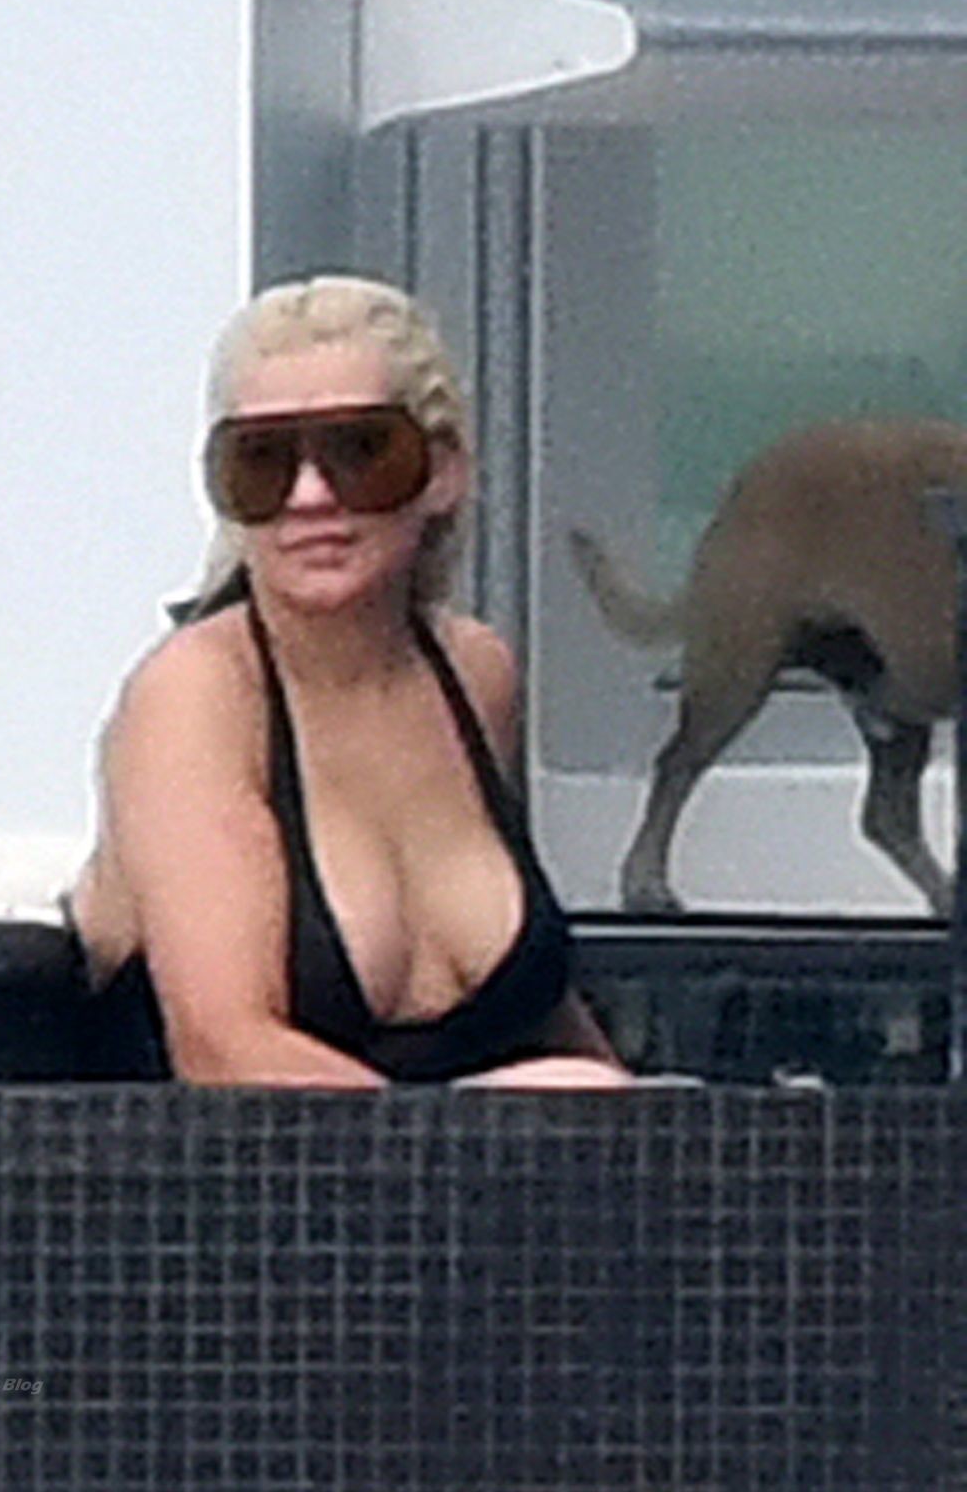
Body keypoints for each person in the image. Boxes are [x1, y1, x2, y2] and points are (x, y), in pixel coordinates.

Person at [65, 273, 630, 1089]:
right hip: (228, 1170)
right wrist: (491, 1129)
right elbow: (225, 1050)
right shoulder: (196, 699)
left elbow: (531, 1012)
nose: (310, 497)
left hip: (470, 1160)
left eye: (362, 452)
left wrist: (646, 1120)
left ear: (444, 470)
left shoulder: (475, 675)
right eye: (261, 462)